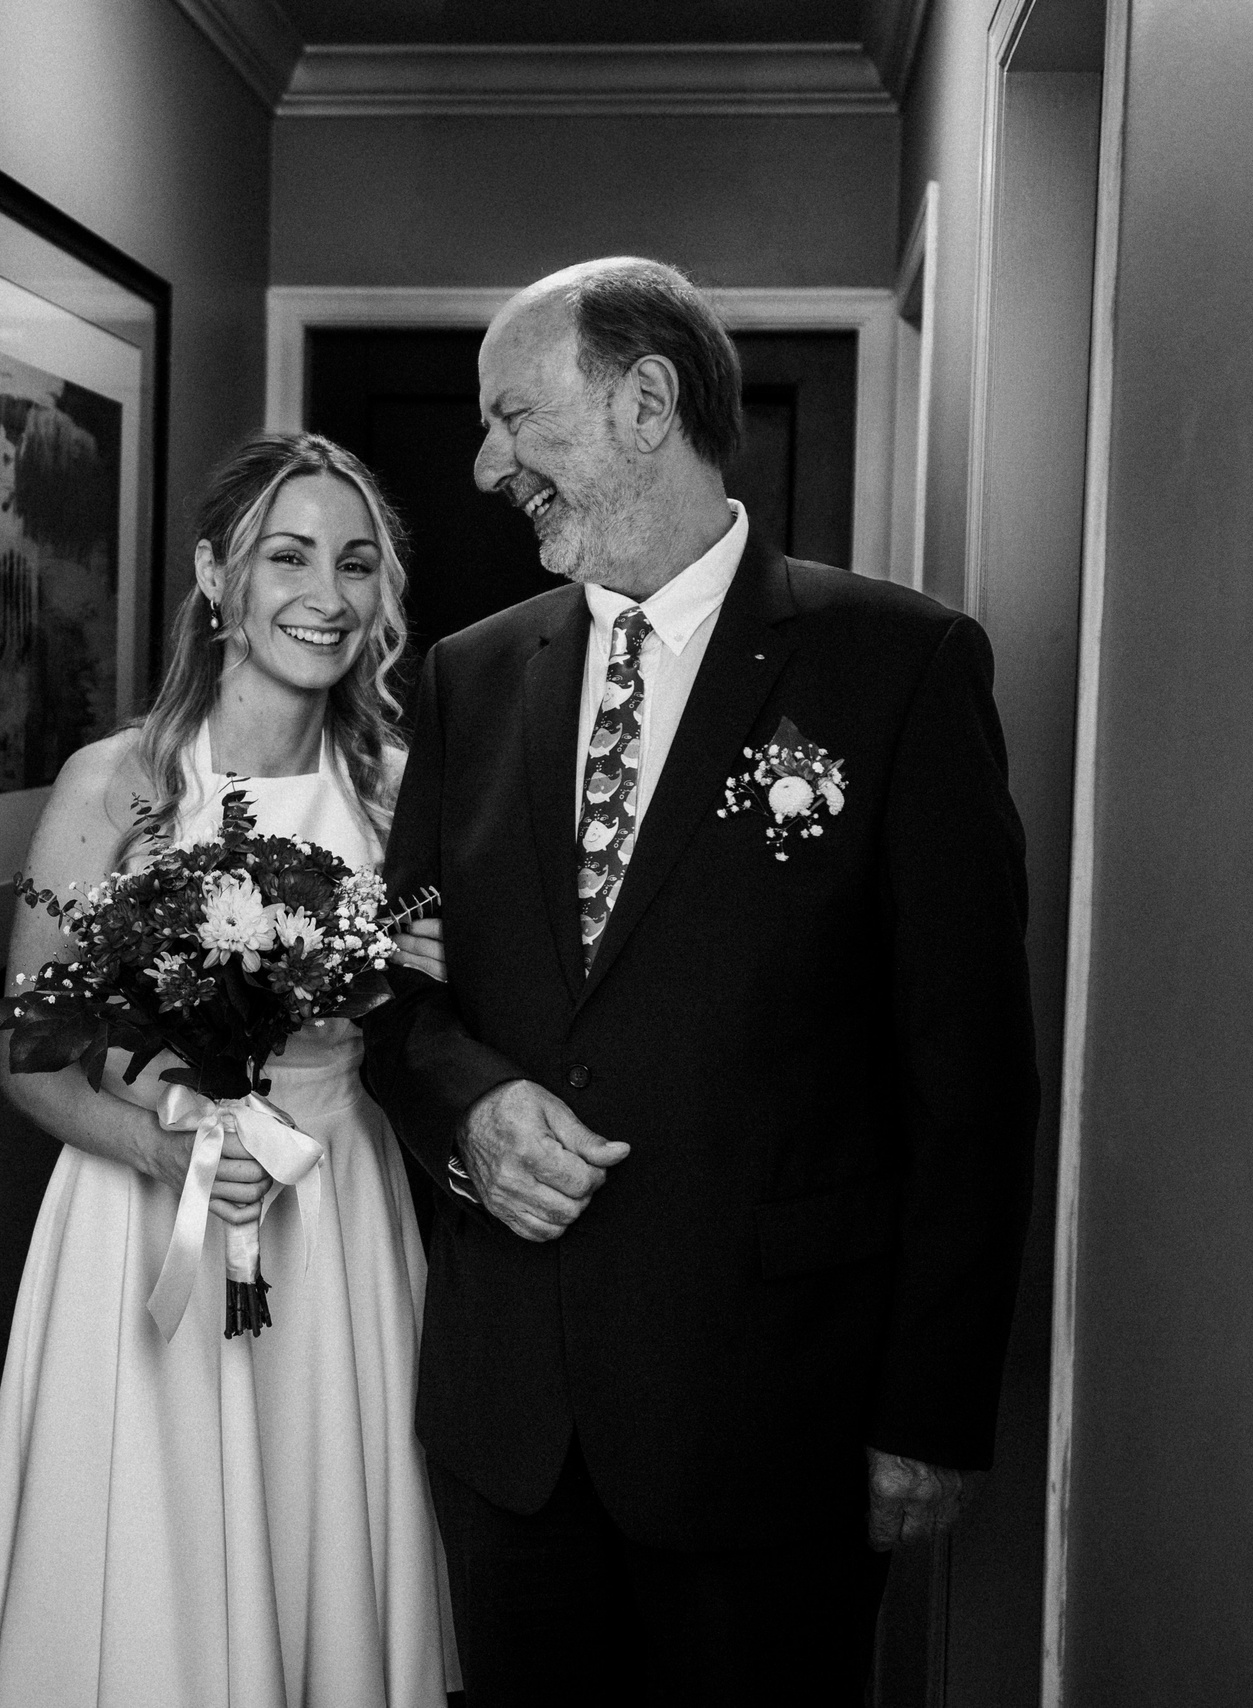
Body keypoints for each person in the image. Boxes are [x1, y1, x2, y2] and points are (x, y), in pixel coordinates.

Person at [359, 258, 1040, 1707]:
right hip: (514, 1431)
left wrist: (930, 1409)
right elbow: (397, 1003)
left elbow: (970, 1073)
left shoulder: (896, 667)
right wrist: (470, 1115)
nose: (487, 467)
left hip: (774, 1427)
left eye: (515, 418)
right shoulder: (469, 679)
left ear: (647, 401)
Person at [0, 433, 459, 1708]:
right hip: (144, 1225)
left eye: (355, 564)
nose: (326, 597)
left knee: (317, 1544)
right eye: (287, 556)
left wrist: (442, 970)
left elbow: (448, 1037)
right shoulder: (116, 786)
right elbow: (29, 1050)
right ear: (213, 575)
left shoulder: (401, 796)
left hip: (332, 1210)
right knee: (151, 1581)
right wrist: (160, 1144)